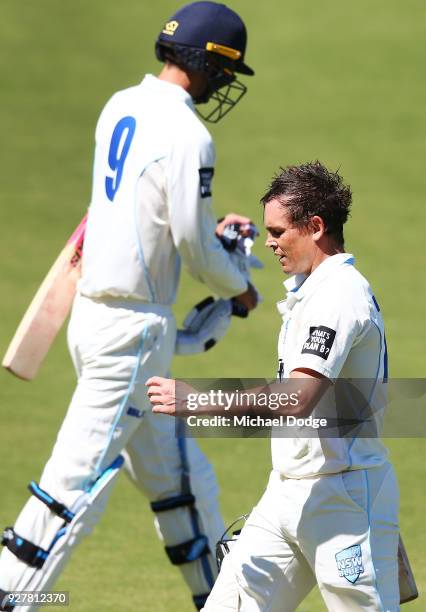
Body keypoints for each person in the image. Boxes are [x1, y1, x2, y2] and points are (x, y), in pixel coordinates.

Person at [0, 3, 258, 611]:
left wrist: (210, 241)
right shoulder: (190, 134)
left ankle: (222, 601)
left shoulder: (118, 105)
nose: (224, 85)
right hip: (133, 335)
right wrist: (237, 284)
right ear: (209, 66)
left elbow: (143, 217)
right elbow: (194, 245)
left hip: (94, 316)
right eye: (225, 72)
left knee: (181, 485)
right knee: (73, 490)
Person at [147, 161, 400, 611]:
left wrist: (199, 401)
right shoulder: (311, 289)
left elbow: (298, 397)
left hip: (344, 498)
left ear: (315, 227)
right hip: (286, 493)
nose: (269, 242)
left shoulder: (339, 295)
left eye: (279, 231)